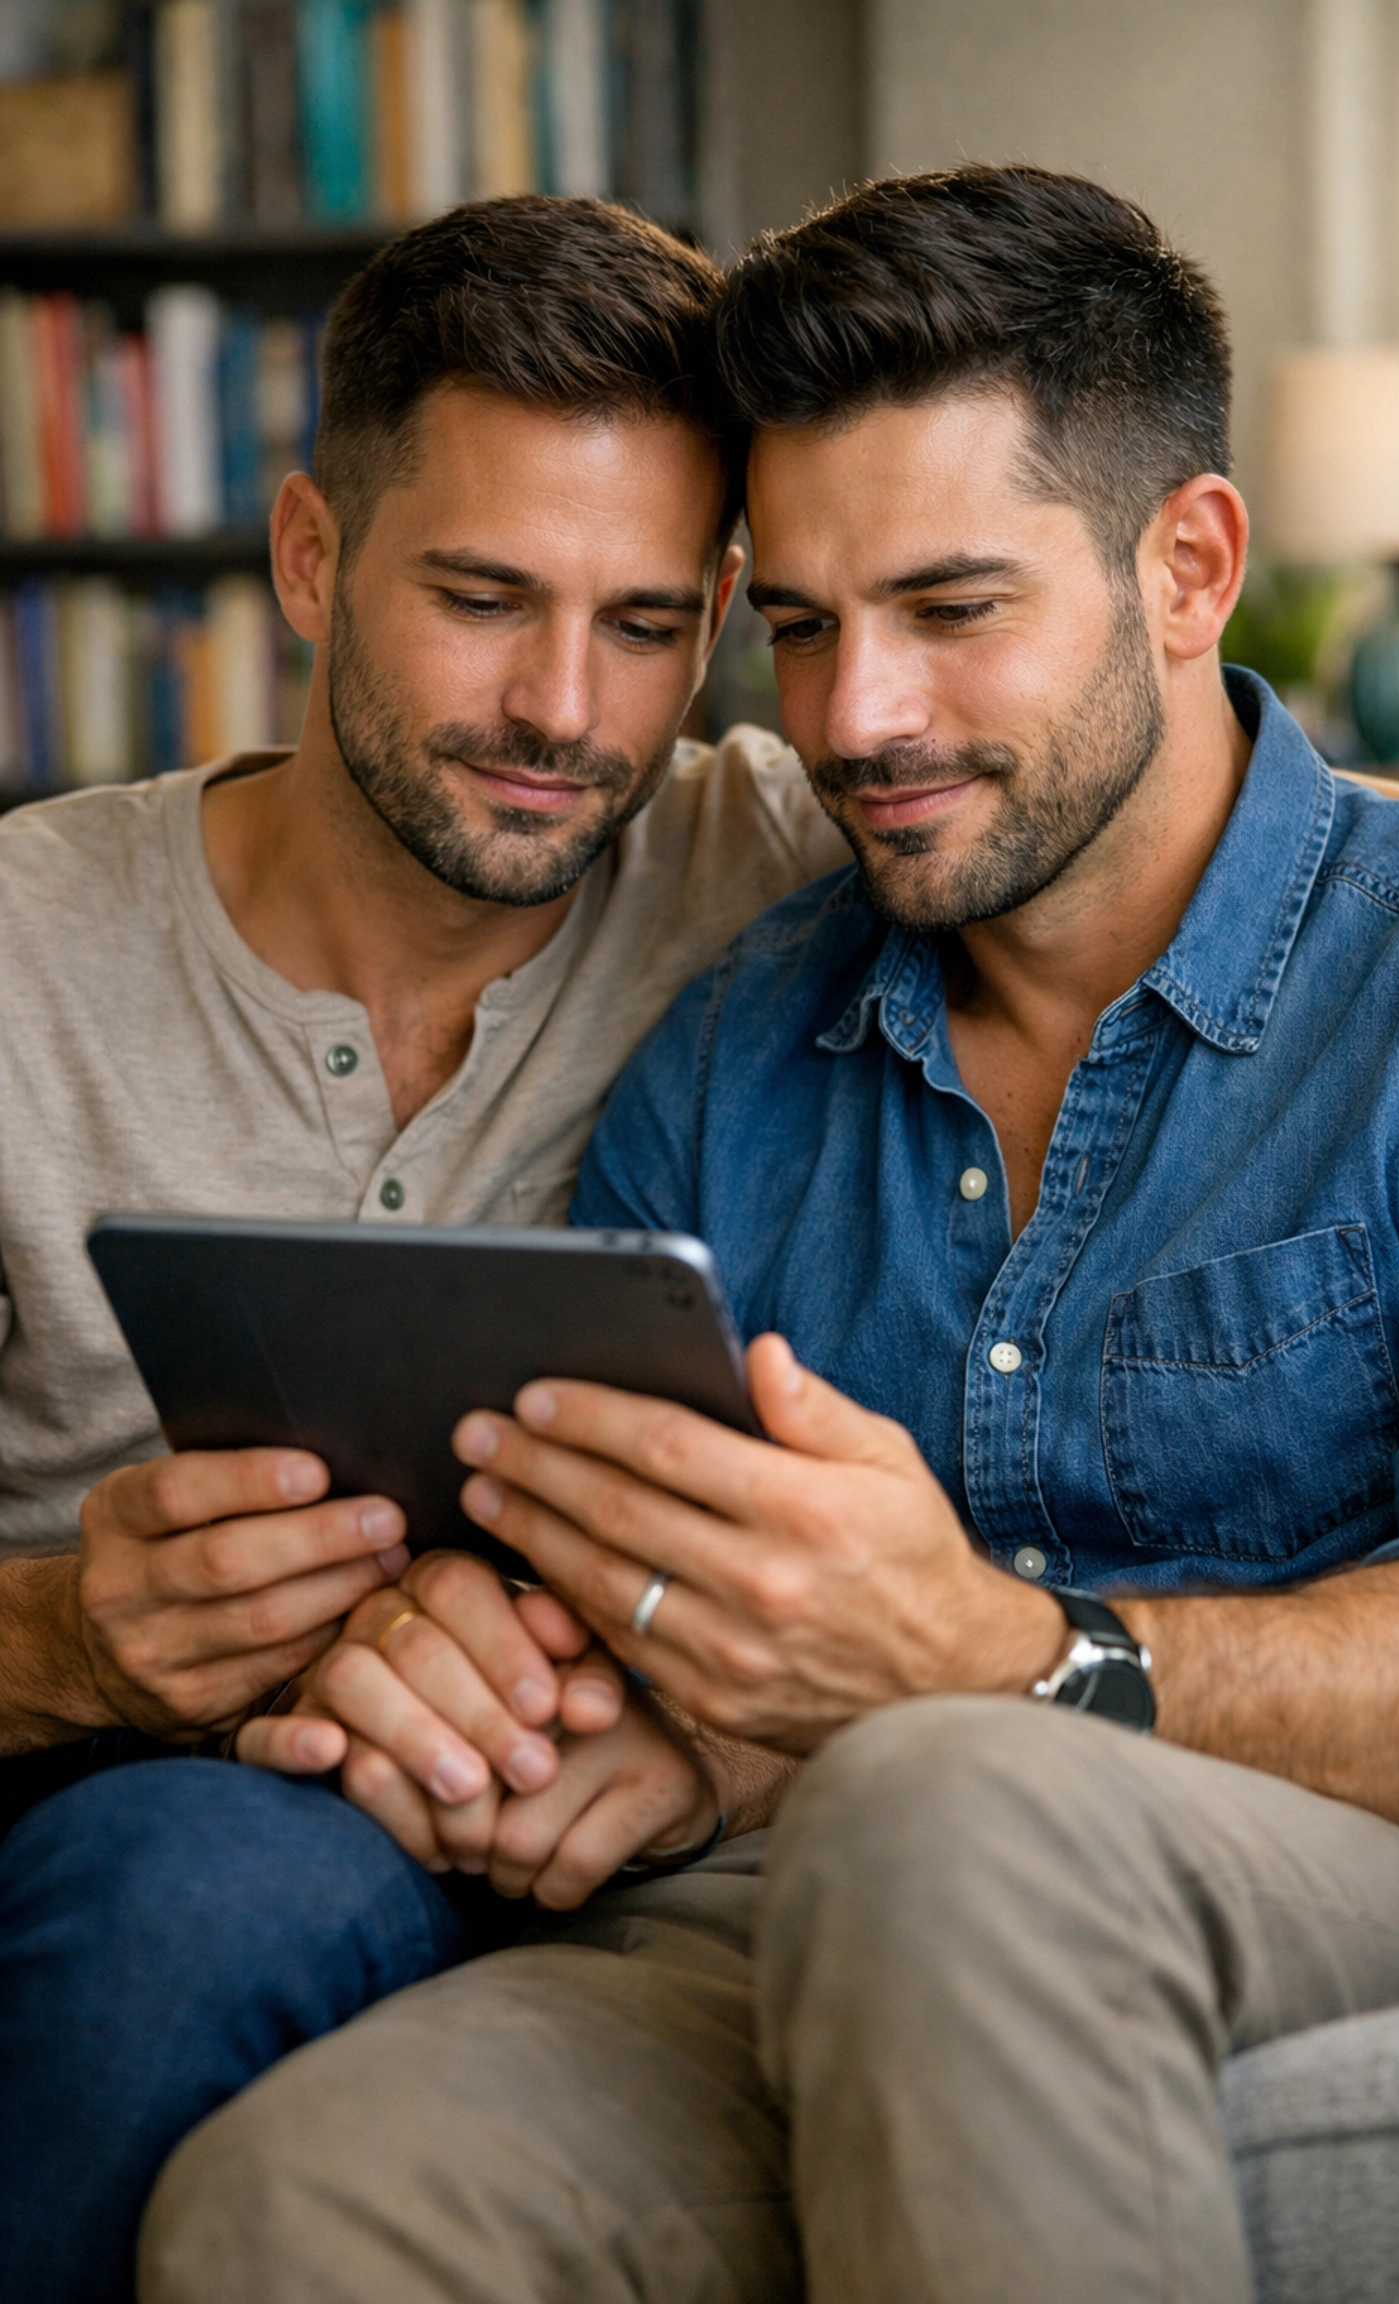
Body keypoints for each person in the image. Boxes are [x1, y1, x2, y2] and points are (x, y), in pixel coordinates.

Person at [144, 164, 1399, 2304]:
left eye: (952, 609)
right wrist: (556, 1699)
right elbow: (605, 1612)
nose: (854, 720)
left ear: (1189, 567)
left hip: (1369, 1881)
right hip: (779, 1893)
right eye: (798, 624)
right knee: (305, 2189)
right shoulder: (728, 1049)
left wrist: (1003, 1666)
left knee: (948, 1808)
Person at [0, 194, 846, 2304]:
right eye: (481, 598)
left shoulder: (781, 851)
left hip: (581, 1823)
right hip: (125, 1785)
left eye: (648, 625)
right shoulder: (23, 947)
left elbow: (1262, 837)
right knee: (162, 1899)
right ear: (311, 558)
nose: (564, 710)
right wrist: (68, 1645)